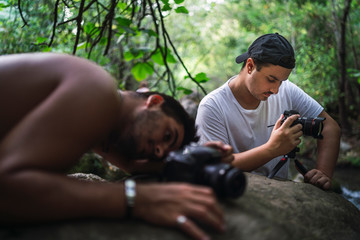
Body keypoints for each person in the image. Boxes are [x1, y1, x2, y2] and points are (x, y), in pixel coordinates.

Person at [0, 52, 234, 240]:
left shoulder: (103, 129)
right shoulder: (98, 90)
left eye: (159, 154)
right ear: (154, 102)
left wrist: (192, 159)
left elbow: (132, 165)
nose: (159, 151)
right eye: (167, 135)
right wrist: (138, 199)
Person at [195, 33, 341, 190]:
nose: (276, 90)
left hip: (279, 194)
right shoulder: (212, 106)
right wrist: (272, 149)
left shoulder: (287, 90)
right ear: (250, 66)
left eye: (281, 81)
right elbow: (214, 166)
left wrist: (323, 173)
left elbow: (330, 127)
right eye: (271, 80)